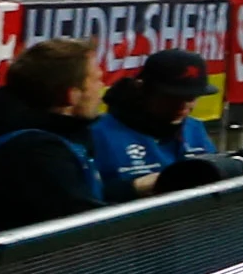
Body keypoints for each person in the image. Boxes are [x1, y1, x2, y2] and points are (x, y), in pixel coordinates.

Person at [0, 38, 111, 233]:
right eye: (96, 80)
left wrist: (136, 187)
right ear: (72, 95)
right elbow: (80, 225)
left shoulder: (53, 136)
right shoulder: (33, 153)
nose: (102, 88)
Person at [93, 49, 230, 195]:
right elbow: (83, 199)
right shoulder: (99, 133)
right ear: (143, 90)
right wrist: (135, 188)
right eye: (172, 97)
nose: (183, 105)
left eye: (190, 97)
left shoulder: (193, 128)